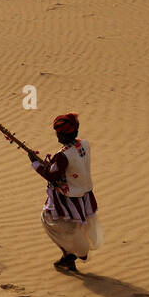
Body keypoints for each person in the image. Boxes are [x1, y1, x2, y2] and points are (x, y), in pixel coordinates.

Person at [31, 112, 102, 272]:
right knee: (77, 225)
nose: (57, 136)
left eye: (58, 133)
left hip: (67, 198)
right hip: (85, 195)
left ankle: (69, 254)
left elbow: (52, 175)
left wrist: (35, 164)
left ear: (63, 134)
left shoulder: (63, 156)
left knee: (49, 219)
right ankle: (71, 256)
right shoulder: (84, 144)